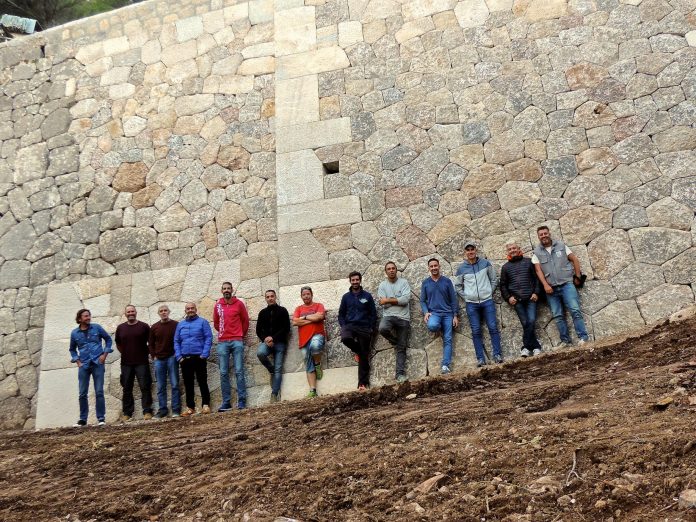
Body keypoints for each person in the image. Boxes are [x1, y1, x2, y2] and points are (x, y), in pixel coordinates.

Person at [532, 226, 590, 346]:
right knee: (558, 315)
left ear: (549, 233)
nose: (544, 236)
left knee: (575, 311)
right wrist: (545, 285)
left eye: (545, 233)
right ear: (538, 237)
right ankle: (565, 341)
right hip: (551, 289)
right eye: (541, 235)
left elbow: (574, 259)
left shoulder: (561, 246)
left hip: (567, 284)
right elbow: (538, 271)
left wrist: (577, 276)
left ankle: (583, 337)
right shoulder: (536, 252)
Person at [455, 241, 503, 367]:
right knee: (476, 330)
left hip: (487, 301)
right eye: (468, 250)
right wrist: (467, 297)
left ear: (475, 250)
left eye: (472, 249)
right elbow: (458, 286)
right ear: (465, 253)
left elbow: (494, 279)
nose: (470, 252)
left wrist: (489, 292)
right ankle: (480, 359)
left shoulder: (485, 263)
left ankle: (497, 355)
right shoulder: (461, 268)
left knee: (493, 327)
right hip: (472, 304)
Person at [69, 309, 113, 427]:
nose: (88, 318)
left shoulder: (97, 328)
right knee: (82, 393)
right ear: (79, 319)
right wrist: (77, 361)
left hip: (97, 363)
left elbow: (108, 339)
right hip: (84, 365)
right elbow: (72, 349)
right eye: (85, 316)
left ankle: (101, 418)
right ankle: (83, 419)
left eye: (89, 316)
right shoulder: (74, 333)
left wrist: (104, 355)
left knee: (99, 391)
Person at [500, 242, 543, 357]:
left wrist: (536, 292)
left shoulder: (528, 262)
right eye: (510, 249)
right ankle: (536, 347)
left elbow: (536, 279)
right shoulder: (505, 267)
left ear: (519, 249)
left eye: (514, 248)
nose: (512, 250)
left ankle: (525, 347)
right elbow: (503, 285)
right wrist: (508, 298)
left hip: (531, 298)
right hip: (517, 300)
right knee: (525, 323)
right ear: (507, 252)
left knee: (531, 321)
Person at [213, 281, 250, 411]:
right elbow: (216, 323)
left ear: (232, 290)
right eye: (224, 288)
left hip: (237, 341)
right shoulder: (218, 305)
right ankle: (226, 402)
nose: (227, 290)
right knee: (223, 372)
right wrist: (225, 333)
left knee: (239, 371)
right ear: (221, 290)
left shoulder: (239, 304)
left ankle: (242, 401)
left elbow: (245, 321)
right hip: (223, 342)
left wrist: (240, 334)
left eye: (229, 288)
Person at [338, 271, 378, 390]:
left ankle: (362, 384)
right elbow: (341, 314)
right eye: (353, 280)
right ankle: (358, 351)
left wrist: (371, 327)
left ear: (360, 280)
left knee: (364, 356)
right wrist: (344, 325)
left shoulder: (367, 296)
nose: (355, 282)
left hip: (364, 328)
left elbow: (373, 314)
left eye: (357, 280)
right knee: (345, 338)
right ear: (350, 281)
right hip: (350, 326)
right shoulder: (346, 297)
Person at [420, 258, 459, 374]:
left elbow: (453, 300)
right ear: (429, 268)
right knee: (432, 326)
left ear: (439, 266)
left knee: (448, 339)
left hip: (448, 314)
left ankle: (445, 366)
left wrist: (455, 315)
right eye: (431, 266)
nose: (433, 268)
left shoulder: (446, 281)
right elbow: (422, 301)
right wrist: (426, 312)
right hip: (435, 314)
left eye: (435, 266)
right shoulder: (425, 283)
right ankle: (439, 326)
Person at [115, 305, 153, 422]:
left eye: (132, 311)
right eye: (128, 311)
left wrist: (145, 352)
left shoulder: (144, 326)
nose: (130, 313)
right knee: (126, 388)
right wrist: (126, 353)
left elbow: (150, 342)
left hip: (142, 362)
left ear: (136, 312)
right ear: (125, 314)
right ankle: (127, 413)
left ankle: (147, 411)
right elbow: (118, 343)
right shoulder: (120, 328)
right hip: (126, 363)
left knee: (145, 386)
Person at [174, 302, 213, 416]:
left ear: (196, 309)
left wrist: (204, 354)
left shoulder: (203, 322)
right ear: (185, 311)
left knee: (202, 381)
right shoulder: (180, 325)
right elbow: (176, 341)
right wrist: (179, 357)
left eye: (192, 308)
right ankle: (190, 407)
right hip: (185, 358)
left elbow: (208, 338)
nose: (190, 310)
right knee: (188, 383)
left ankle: (205, 405)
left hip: (199, 357)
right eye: (188, 309)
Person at [377, 261, 411, 383]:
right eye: (389, 269)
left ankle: (400, 375)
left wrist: (388, 300)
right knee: (382, 328)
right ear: (386, 272)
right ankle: (394, 341)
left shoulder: (404, 283)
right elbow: (382, 304)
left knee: (401, 349)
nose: (391, 270)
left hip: (403, 318)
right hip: (389, 316)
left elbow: (406, 299)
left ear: (396, 270)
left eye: (393, 268)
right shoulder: (382, 285)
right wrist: (397, 300)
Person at [256, 289, 291, 403]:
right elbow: (258, 330)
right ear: (265, 299)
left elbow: (286, 328)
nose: (270, 298)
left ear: (275, 297)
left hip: (279, 343)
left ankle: (274, 394)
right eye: (268, 297)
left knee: (278, 368)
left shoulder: (283, 311)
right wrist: (265, 338)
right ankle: (271, 370)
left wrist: (274, 338)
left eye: (272, 296)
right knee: (260, 353)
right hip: (266, 342)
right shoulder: (262, 313)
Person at [292, 286, 326, 398]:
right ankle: (312, 390)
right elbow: (295, 322)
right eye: (304, 294)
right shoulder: (298, 309)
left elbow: (319, 317)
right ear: (301, 296)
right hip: (304, 340)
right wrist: (311, 319)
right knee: (308, 364)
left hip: (317, 335)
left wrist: (305, 317)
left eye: (308, 294)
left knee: (315, 346)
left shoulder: (318, 305)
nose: (306, 296)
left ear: (312, 294)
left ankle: (317, 364)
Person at [149, 304, 181, 418]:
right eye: (161, 311)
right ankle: (163, 410)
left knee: (175, 384)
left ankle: (176, 410)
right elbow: (151, 344)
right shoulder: (154, 327)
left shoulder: (176, 325)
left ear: (169, 312)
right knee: (161, 386)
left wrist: (177, 354)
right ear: (158, 313)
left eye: (165, 310)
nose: (163, 312)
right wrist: (154, 356)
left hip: (172, 358)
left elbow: (180, 340)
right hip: (159, 360)